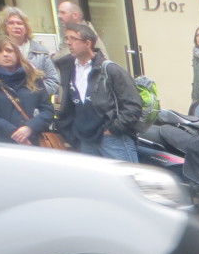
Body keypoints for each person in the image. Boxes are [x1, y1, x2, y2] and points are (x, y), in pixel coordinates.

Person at [55, 23, 141, 161]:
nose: (69, 43)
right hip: (85, 140)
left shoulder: (110, 69)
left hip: (113, 139)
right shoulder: (68, 70)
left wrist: (113, 129)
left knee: (126, 180)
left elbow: (133, 105)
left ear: (87, 43)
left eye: (73, 39)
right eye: (66, 39)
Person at [0, 35, 54, 145]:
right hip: (1, 145)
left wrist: (30, 127)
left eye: (9, 50)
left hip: (32, 142)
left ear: (17, 54)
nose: (5, 54)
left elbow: (48, 111)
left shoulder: (33, 78)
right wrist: (12, 132)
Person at [0, 6, 58, 96]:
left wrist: (34, 94)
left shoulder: (40, 52)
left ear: (26, 27)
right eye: (11, 23)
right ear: (4, 26)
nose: (16, 26)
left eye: (20, 23)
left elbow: (53, 80)